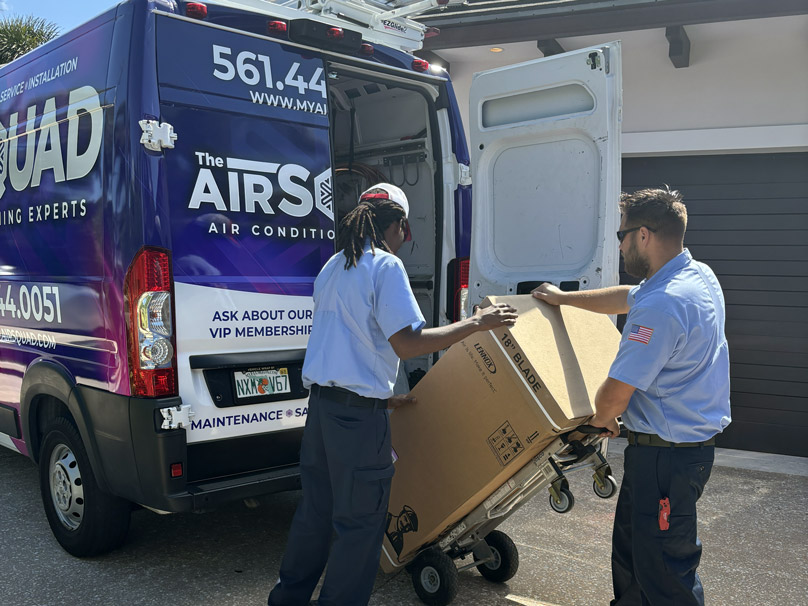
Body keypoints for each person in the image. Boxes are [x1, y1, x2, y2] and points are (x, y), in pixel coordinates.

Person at [267, 183, 518, 606]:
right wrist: (478, 324)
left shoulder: (333, 266)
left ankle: (286, 599)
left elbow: (344, 345)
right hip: (357, 425)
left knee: (315, 514)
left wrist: (383, 397)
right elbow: (409, 343)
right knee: (360, 525)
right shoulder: (385, 266)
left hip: (323, 414)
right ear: (400, 225)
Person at [533, 186, 730, 606]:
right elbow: (627, 298)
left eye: (622, 235)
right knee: (634, 560)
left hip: (665, 461)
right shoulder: (696, 277)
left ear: (643, 235)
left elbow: (614, 397)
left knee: (664, 577)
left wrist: (601, 418)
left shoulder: (663, 304)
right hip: (671, 456)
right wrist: (564, 299)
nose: (619, 245)